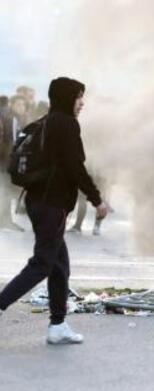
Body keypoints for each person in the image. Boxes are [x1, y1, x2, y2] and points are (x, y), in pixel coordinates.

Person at [0, 77, 109, 344]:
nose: (82, 102)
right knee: (43, 264)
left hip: (39, 202)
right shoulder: (66, 124)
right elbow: (76, 167)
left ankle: (58, 325)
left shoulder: (45, 121)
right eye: (79, 96)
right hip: (51, 204)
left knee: (59, 265)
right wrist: (97, 199)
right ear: (66, 98)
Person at [0, 95, 30, 231]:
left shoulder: (13, 118)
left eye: (23, 105)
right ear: (12, 105)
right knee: (6, 190)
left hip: (5, 160)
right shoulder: (12, 119)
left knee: (5, 190)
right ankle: (6, 221)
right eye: (18, 104)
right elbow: (13, 142)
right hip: (7, 160)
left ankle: (6, 220)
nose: (21, 108)